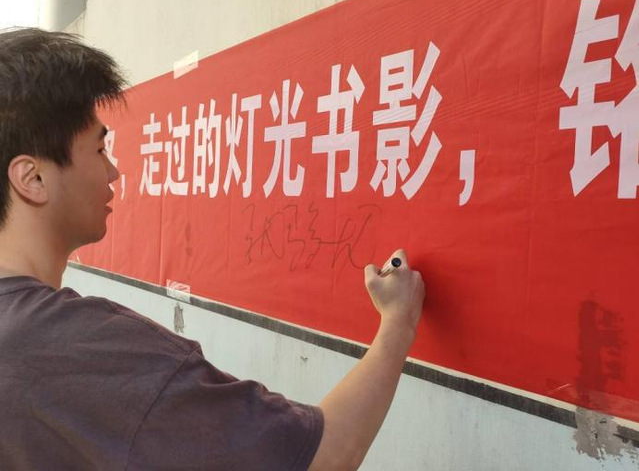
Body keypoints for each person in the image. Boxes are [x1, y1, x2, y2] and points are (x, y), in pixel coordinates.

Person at [0, 28, 425, 470]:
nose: (113, 172)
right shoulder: (79, 349)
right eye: (99, 149)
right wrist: (398, 324)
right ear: (32, 178)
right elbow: (322, 457)